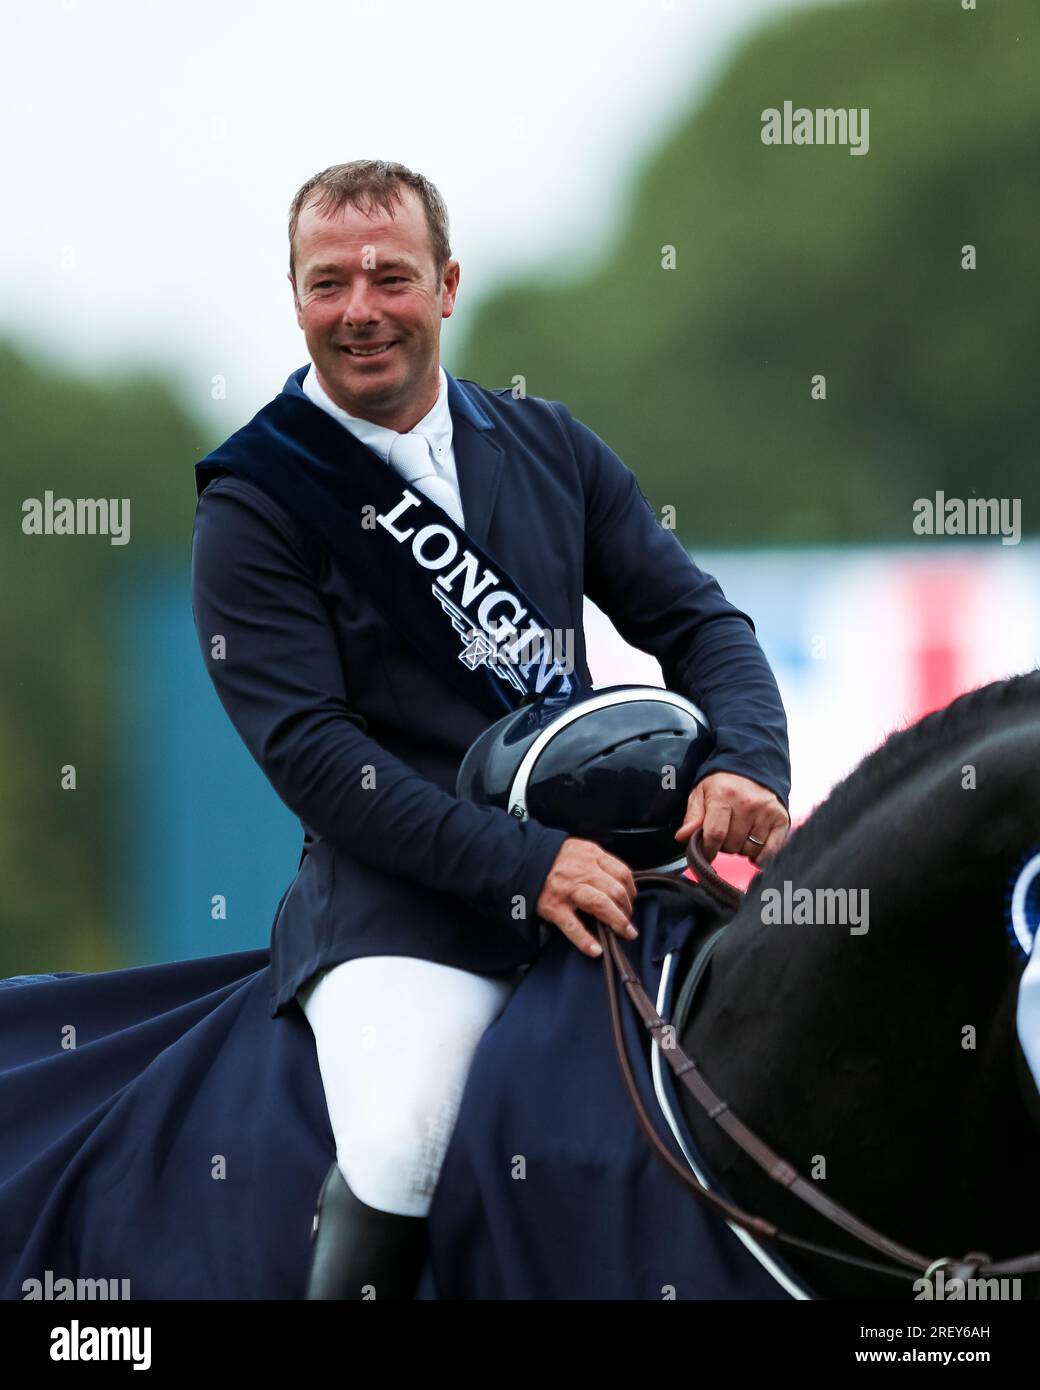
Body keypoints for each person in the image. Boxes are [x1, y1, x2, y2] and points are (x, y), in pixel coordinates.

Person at [189, 159, 792, 1300]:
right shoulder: (254, 502)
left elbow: (698, 622)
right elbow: (314, 758)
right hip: (398, 906)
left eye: (389, 277)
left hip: (605, 871)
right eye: (327, 284)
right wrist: (524, 865)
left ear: (447, 284)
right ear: (295, 296)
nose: (359, 309)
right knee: (405, 1138)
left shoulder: (549, 445)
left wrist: (745, 761)